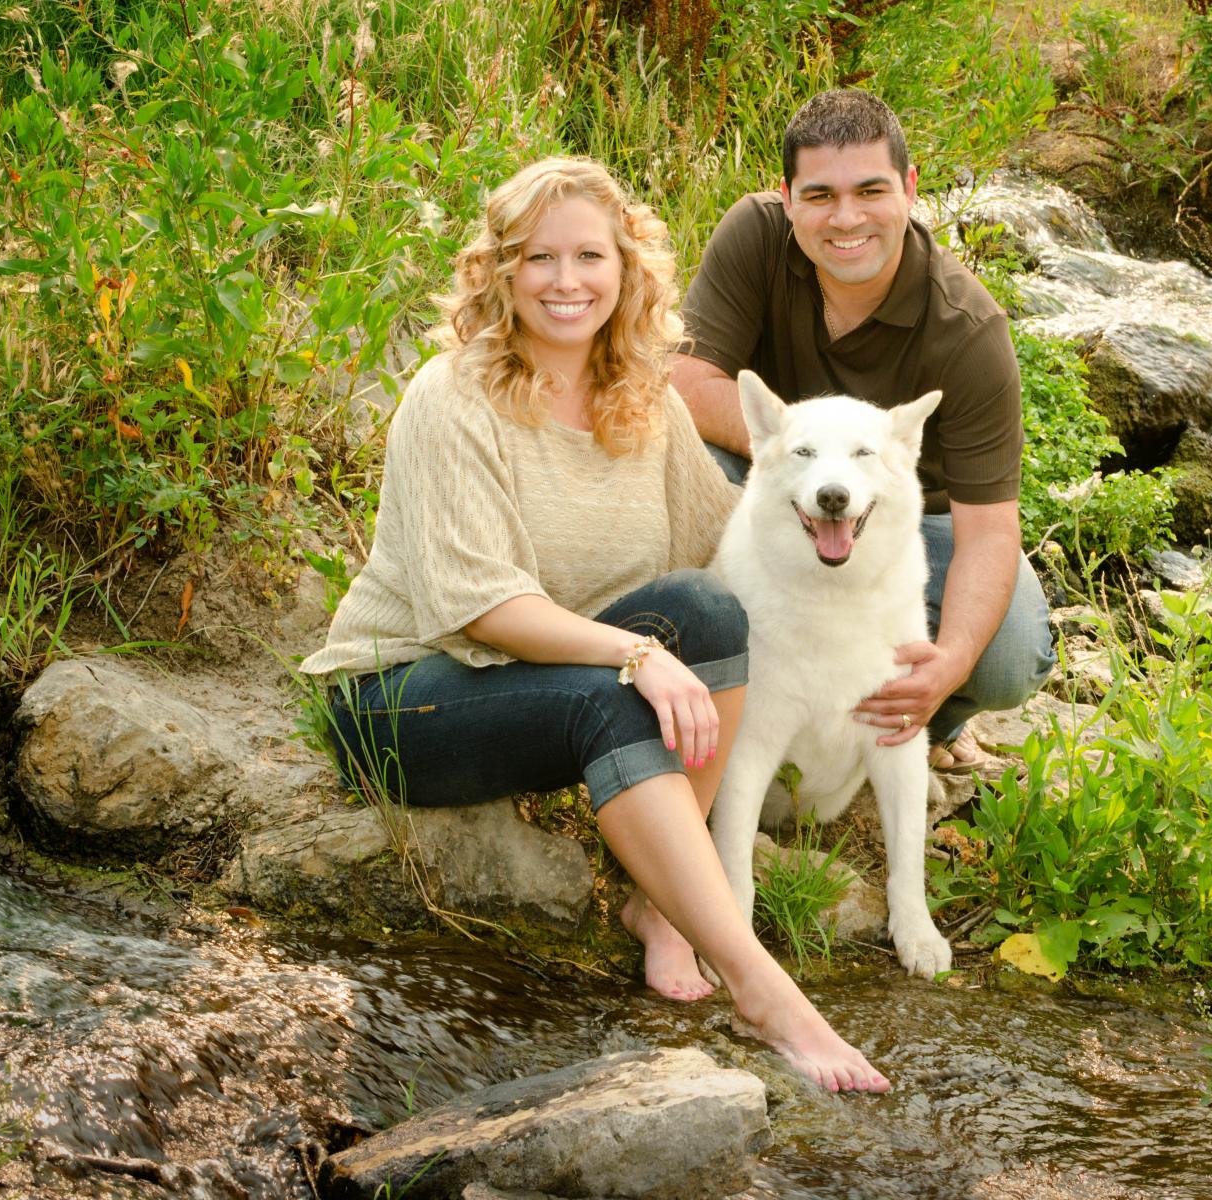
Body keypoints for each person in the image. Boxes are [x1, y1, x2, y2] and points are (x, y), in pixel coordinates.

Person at [299, 157, 889, 1093]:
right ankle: (762, 988)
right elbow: (481, 607)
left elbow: (726, 553)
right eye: (538, 258)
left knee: (710, 610)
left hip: (555, 682)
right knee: (609, 697)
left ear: (626, 269)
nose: (565, 281)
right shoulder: (451, 396)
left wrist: (877, 625)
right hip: (401, 699)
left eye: (588, 257)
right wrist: (635, 654)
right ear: (499, 271)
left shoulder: (643, 398)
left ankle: (659, 905)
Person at [673, 89, 1054, 769]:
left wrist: (951, 661)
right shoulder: (756, 236)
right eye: (819, 195)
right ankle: (714, 705)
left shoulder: (968, 331)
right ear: (787, 198)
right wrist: (805, 453)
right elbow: (687, 383)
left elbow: (989, 532)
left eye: (870, 190)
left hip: (910, 518)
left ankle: (917, 722)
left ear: (909, 189)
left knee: (1008, 656)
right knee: (680, 458)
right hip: (774, 480)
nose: (845, 218)